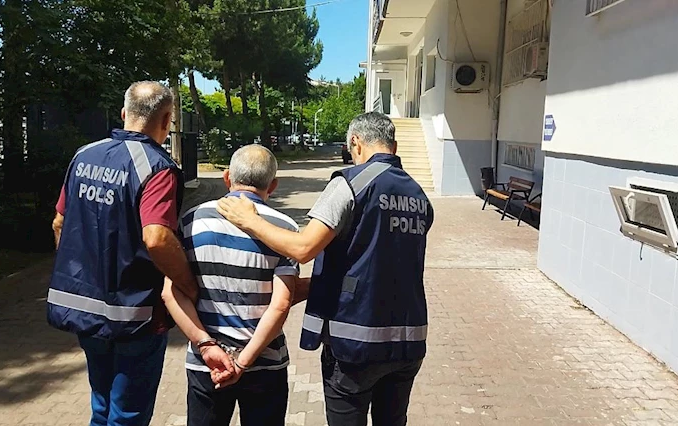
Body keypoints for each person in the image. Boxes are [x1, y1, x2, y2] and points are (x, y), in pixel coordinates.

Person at [217, 112, 434, 426]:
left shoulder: (351, 183)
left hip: (355, 345)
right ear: (394, 146)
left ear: (355, 143)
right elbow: (377, 262)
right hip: (408, 342)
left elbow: (303, 249)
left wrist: (249, 220)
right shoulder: (417, 194)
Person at [48, 81, 233, 426]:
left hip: (83, 311)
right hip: (133, 316)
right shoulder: (157, 168)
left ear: (123, 113)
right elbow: (157, 238)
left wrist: (81, 274)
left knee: (102, 406)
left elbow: (59, 222)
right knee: (127, 415)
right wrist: (187, 284)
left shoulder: (83, 155)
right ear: (166, 120)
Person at [169, 144, 299, 426]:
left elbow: (170, 292)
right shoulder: (285, 229)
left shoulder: (191, 220)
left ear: (227, 177)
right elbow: (281, 305)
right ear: (273, 185)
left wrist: (205, 345)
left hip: (208, 363)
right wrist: (243, 361)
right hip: (265, 363)